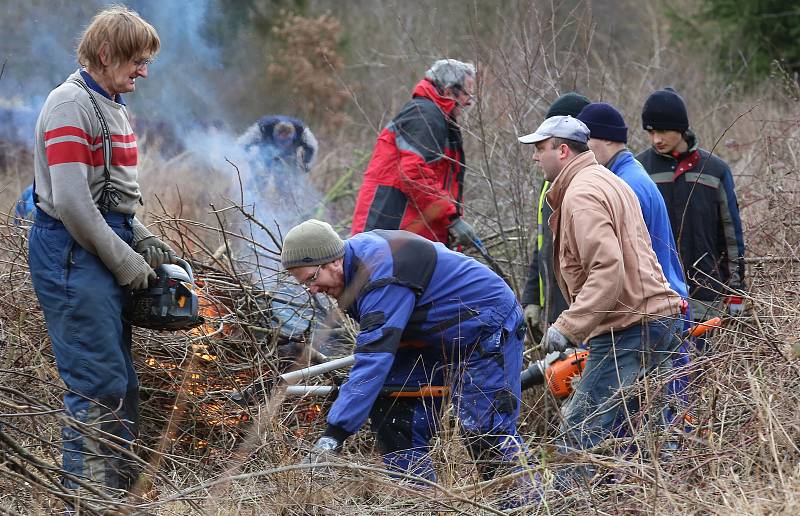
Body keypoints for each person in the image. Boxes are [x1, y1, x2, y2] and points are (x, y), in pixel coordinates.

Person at [28, 6, 175, 495]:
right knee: (97, 387)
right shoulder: (71, 105)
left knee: (122, 386)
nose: (144, 70)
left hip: (99, 242)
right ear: (107, 53)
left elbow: (111, 196)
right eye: (137, 60)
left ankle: (119, 500)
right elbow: (72, 203)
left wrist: (142, 233)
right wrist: (123, 259)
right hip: (72, 254)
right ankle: (89, 503)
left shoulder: (111, 101)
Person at [281, 219, 526, 483]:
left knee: (484, 429)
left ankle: (525, 501)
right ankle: (418, 498)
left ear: (333, 261)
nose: (313, 289)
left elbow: (375, 356)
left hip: (486, 324)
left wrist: (334, 435)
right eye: (306, 284)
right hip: (432, 334)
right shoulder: (351, 272)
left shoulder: (379, 273)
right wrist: (356, 392)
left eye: (312, 278)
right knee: (391, 406)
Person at [517, 116, 683, 482]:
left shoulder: (581, 195)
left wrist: (567, 326)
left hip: (627, 329)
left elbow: (608, 269)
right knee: (650, 439)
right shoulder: (605, 180)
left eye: (540, 149)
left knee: (578, 432)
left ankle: (565, 505)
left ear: (562, 151)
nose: (535, 157)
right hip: (655, 320)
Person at [636, 87, 746, 324]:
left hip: (707, 296)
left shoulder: (715, 171)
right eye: (651, 132)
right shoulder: (638, 170)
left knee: (706, 361)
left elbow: (731, 236)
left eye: (663, 131)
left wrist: (736, 292)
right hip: (655, 298)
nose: (656, 139)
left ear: (682, 129)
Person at [351, 59, 478, 248]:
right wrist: (452, 219)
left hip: (408, 233)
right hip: (390, 229)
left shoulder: (436, 117)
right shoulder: (424, 115)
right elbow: (413, 172)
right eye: (468, 94)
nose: (469, 102)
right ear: (449, 90)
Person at [521, 92, 590, 339]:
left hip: (580, 319)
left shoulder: (588, 186)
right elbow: (541, 245)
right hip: (554, 312)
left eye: (543, 146)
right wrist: (531, 298)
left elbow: (603, 265)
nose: (535, 156)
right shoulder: (549, 183)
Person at [238, 114, 318, 174]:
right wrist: (249, 158)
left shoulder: (302, 132)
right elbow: (242, 144)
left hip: (290, 155)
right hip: (265, 154)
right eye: (281, 140)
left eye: (287, 140)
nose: (283, 144)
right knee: (260, 175)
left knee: (288, 181)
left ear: (293, 136)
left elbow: (313, 146)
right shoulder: (262, 129)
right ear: (274, 135)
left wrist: (306, 162)